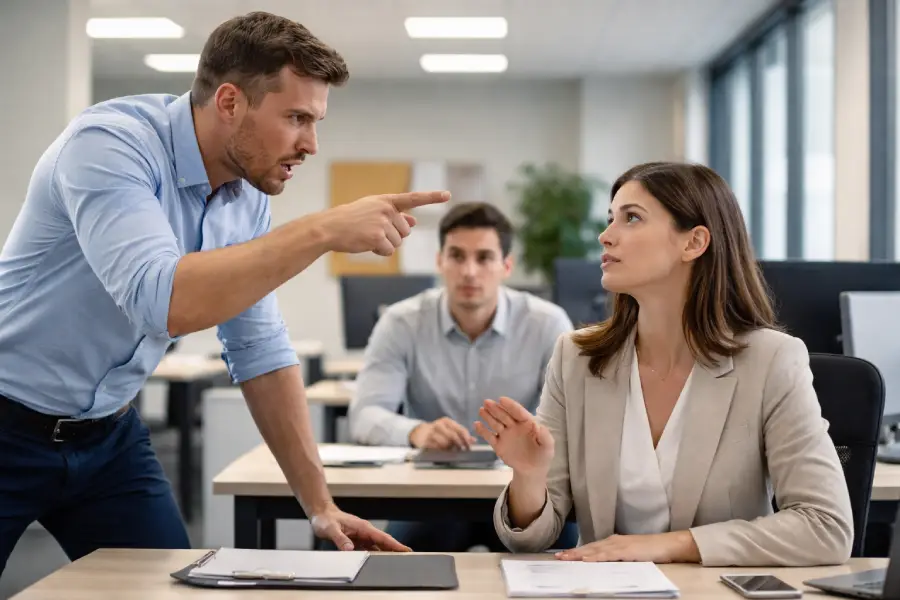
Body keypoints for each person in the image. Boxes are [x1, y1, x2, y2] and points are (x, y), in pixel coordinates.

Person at [0, 11, 448, 573]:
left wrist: (320, 504)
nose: (310, 143)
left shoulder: (246, 197)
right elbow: (163, 302)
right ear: (231, 102)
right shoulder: (111, 145)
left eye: (316, 121)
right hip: (7, 420)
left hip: (107, 436)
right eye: (296, 118)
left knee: (167, 588)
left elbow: (259, 348)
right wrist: (322, 229)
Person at [475, 162, 854, 567]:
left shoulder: (770, 361)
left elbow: (826, 526)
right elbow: (530, 540)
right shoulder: (577, 357)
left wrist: (671, 545)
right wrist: (529, 478)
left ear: (694, 243)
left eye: (631, 218)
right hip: (600, 593)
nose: (605, 236)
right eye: (610, 219)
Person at [348, 201, 577, 552]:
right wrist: (416, 431)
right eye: (457, 256)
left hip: (523, 489)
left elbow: (573, 425)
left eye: (484, 258)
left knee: (561, 569)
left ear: (506, 265)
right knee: (402, 566)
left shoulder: (548, 324)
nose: (469, 271)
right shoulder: (400, 322)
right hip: (434, 493)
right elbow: (364, 415)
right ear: (440, 261)